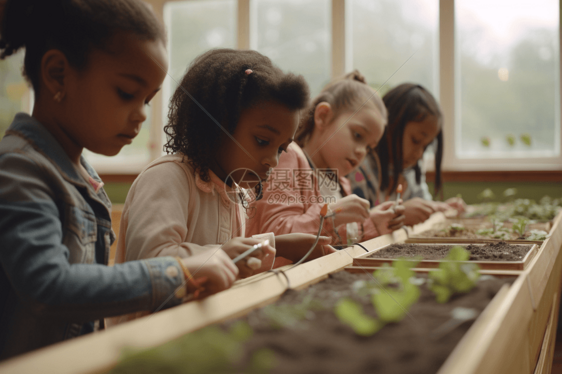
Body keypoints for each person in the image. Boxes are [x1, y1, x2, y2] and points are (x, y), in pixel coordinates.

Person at [0, 0, 238, 359]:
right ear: (58, 74)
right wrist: (175, 273)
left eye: (148, 99)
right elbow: (49, 286)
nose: (142, 114)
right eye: (127, 93)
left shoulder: (83, 175)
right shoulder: (19, 171)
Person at [115, 48, 334, 294]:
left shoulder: (235, 193)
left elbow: (231, 268)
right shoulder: (167, 177)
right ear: (217, 124)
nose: (273, 160)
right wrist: (226, 254)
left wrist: (278, 245)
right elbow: (150, 263)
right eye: (262, 141)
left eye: (281, 149)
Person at [246, 71, 405, 250]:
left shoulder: (341, 183)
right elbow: (277, 239)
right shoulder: (289, 157)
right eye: (358, 135)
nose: (362, 152)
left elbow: (334, 243)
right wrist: (330, 215)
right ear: (323, 116)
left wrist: (373, 224)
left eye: (369, 147)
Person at [349, 83, 466, 226]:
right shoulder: (358, 167)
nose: (419, 154)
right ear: (390, 125)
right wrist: (399, 215)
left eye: (426, 146)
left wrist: (439, 208)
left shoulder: (412, 171)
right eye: (416, 141)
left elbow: (422, 205)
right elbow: (351, 229)